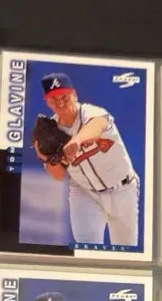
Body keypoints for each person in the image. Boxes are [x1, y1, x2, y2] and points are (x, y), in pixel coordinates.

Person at [34, 72, 139, 246]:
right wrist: (47, 160)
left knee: (125, 252)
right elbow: (59, 175)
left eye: (64, 97)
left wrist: (77, 140)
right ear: (47, 102)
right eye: (54, 99)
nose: (60, 102)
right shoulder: (51, 132)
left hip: (123, 189)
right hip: (84, 193)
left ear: (74, 95)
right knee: (87, 249)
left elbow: (97, 125)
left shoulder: (92, 112)